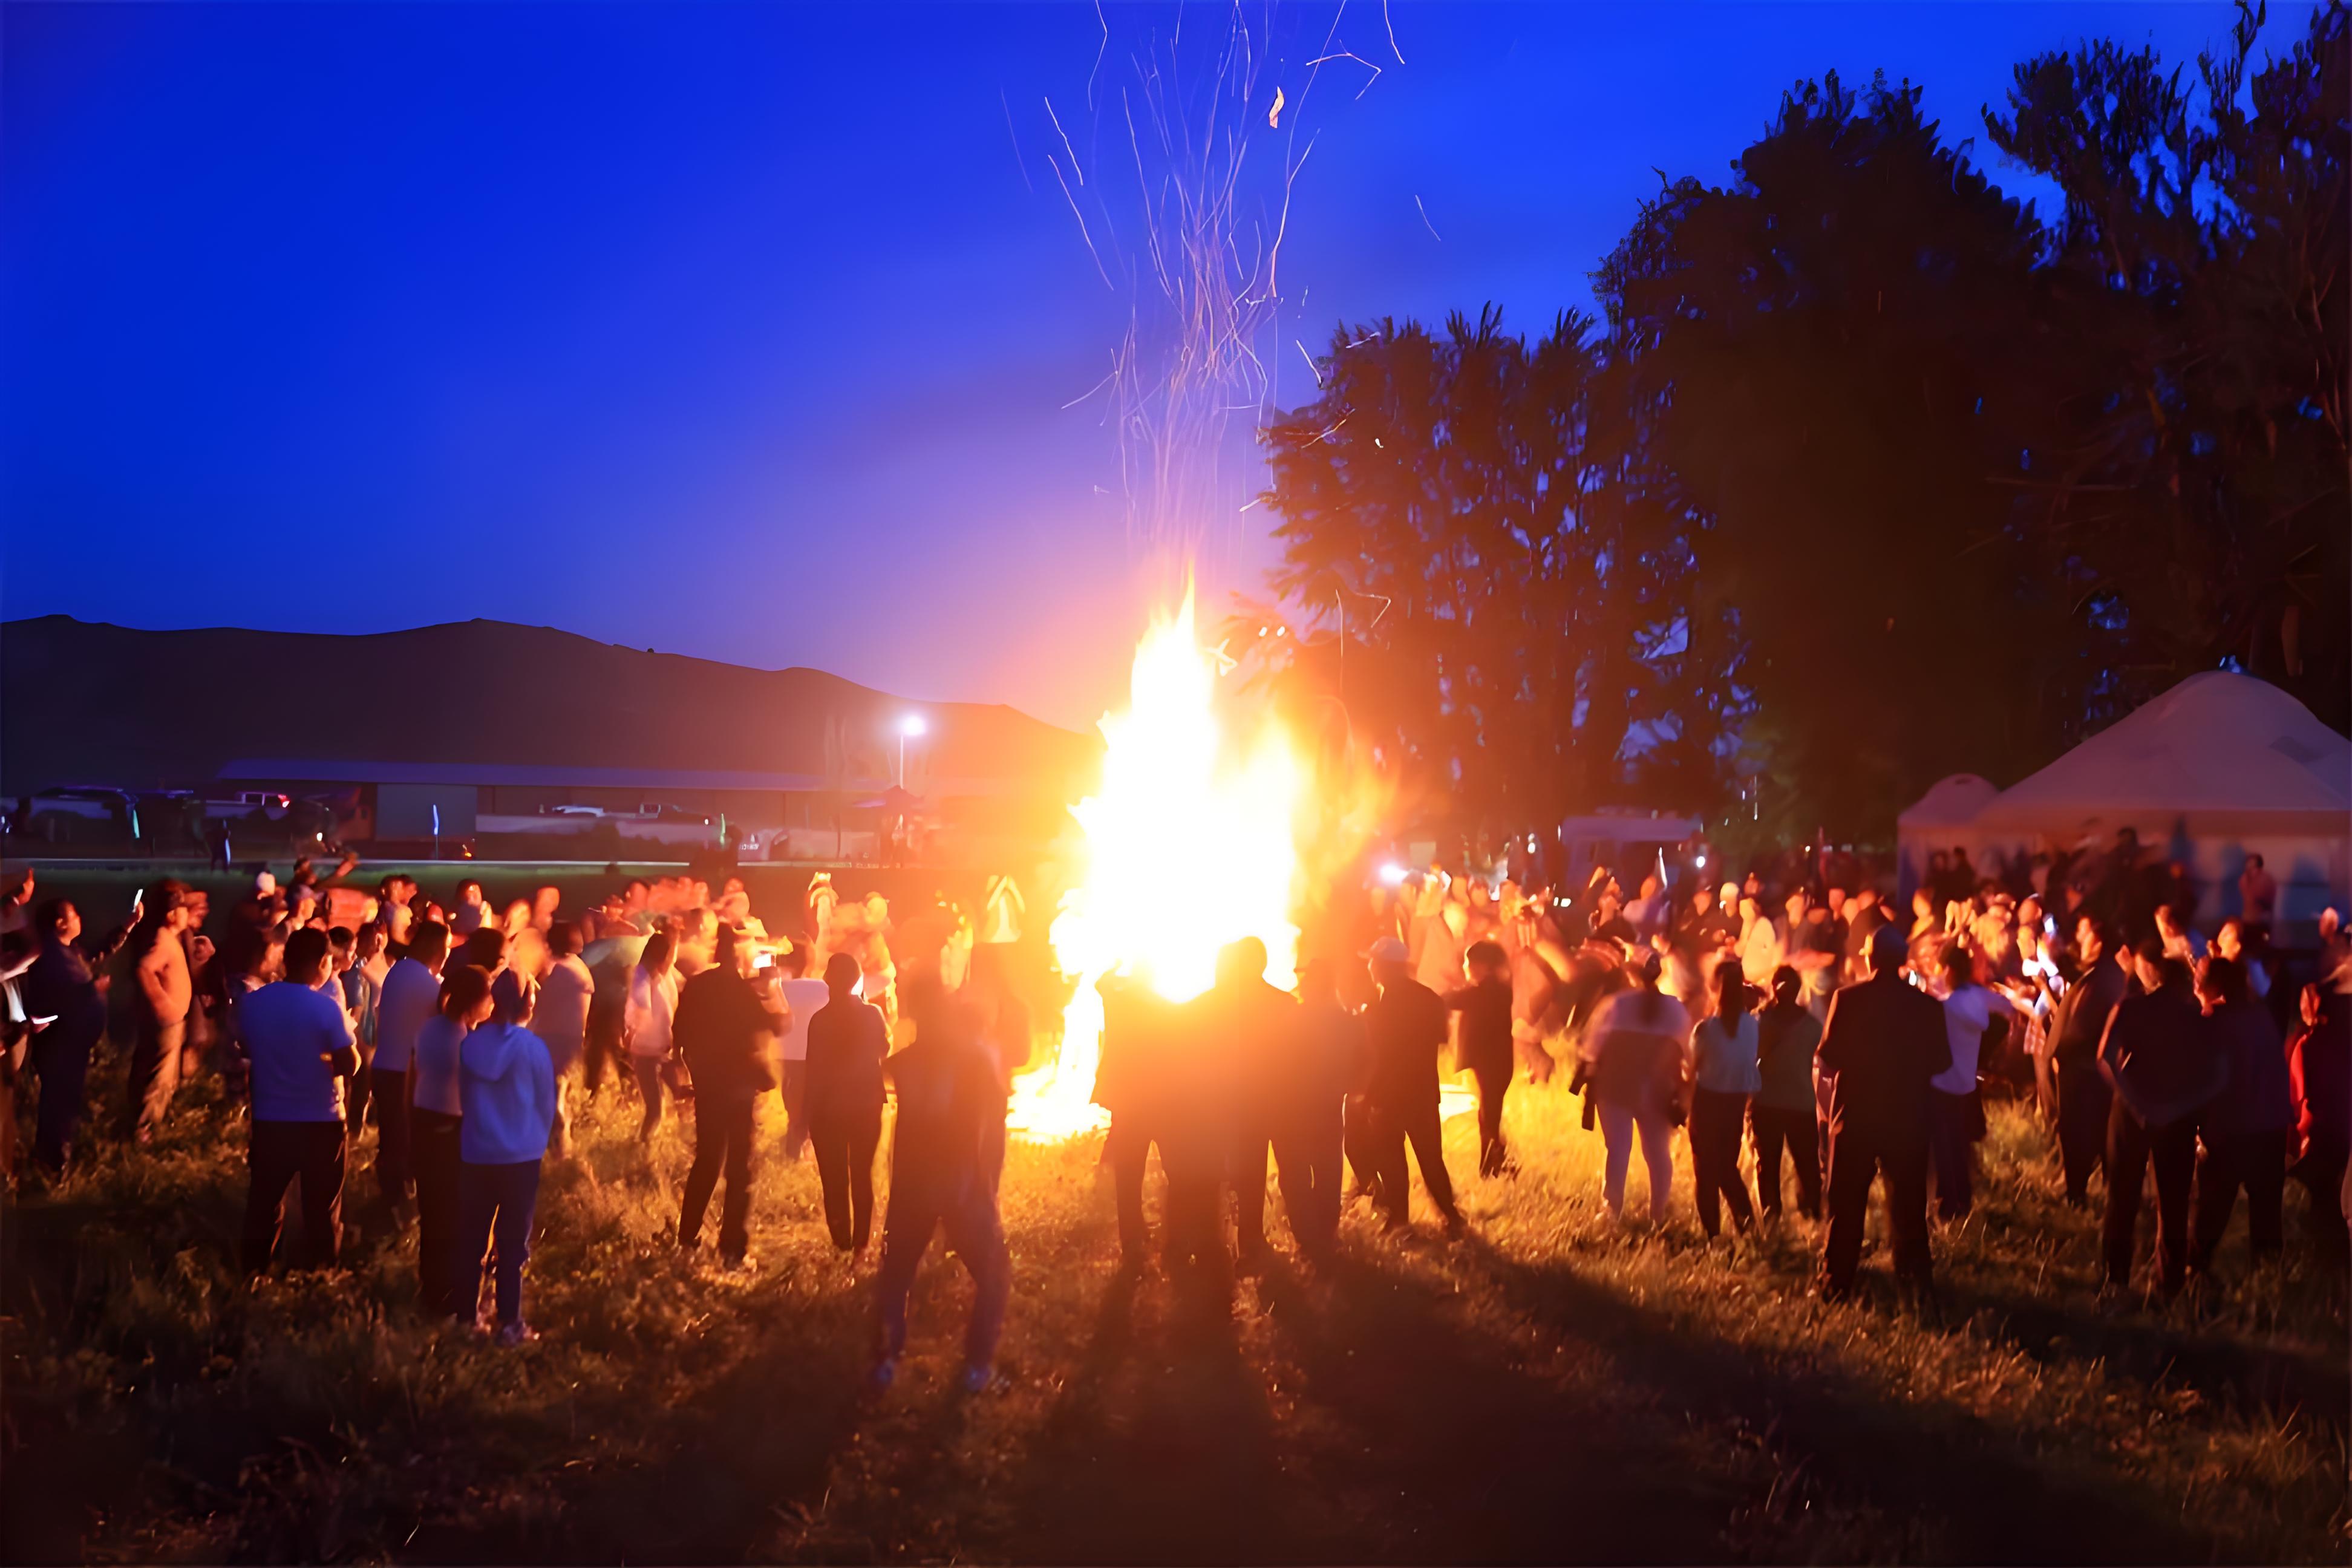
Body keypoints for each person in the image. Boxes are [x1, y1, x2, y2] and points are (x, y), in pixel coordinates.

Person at [871, 971, 1010, 1395]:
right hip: (961, 1183)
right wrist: (988, 1183)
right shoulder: (975, 1061)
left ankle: (884, 1363)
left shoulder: (903, 1063)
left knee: (896, 1275)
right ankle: (977, 1368)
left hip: (913, 1183)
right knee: (995, 1273)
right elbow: (993, 1131)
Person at [1817, 924, 1952, 1301]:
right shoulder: (1927, 1006)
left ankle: (1836, 1284)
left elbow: (1828, 1055)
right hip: (1908, 1118)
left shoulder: (1848, 998)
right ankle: (1914, 1285)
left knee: (1846, 1205)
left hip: (1856, 1115)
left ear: (1871, 958)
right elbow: (1942, 1061)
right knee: (1909, 1206)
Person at [2098, 943, 2228, 1298]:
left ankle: (2116, 1280)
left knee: (2122, 1197)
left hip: (2131, 1114)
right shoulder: (2194, 1020)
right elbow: (2220, 1074)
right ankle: (2169, 1285)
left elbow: (2105, 1057)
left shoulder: (2132, 1007)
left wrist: (2133, 1099)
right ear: (2184, 984)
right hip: (2177, 1119)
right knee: (2172, 1203)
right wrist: (2188, 1103)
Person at [236, 927, 361, 1272]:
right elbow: (349, 1064)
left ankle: (253, 1274)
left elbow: (246, 1047)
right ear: (323, 962)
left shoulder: (254, 1003)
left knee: (264, 1202)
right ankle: (320, 1276)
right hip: (321, 1120)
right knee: (321, 1208)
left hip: (271, 1118)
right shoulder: (325, 1008)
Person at [457, 970, 557, 1342]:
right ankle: (510, 1323)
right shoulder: (533, 1048)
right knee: (513, 1244)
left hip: (477, 1153)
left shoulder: (470, 1045)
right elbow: (545, 1104)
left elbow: (465, 1098)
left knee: (471, 1239)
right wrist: (538, 1140)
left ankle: (467, 1319)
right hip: (520, 1158)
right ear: (528, 1002)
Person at [672, 926, 782, 1266]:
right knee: (738, 1167)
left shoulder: (699, 986)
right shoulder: (742, 991)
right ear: (738, 956)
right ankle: (732, 1248)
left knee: (706, 1160)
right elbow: (778, 1025)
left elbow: (680, 1031)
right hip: (738, 1088)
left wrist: (688, 1066)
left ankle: (687, 1239)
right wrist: (773, 990)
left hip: (709, 1085)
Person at [2188, 956, 2294, 1278]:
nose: (2194, 984)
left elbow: (2204, 1083)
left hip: (2232, 1131)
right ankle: (2266, 1279)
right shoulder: (2260, 1016)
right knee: (2266, 1212)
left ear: (2212, 988)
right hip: (2272, 1126)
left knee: (2212, 1211)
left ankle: (2195, 1274)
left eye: (2198, 979)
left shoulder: (2213, 1024)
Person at [18, 898, 131, 1178]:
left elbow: (94, 954)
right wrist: (94, 989)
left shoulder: (67, 950)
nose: (80, 918)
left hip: (70, 1046)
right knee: (59, 1105)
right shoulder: (51, 958)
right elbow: (58, 1001)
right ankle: (51, 1167)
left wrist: (127, 927)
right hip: (60, 1048)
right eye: (75, 915)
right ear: (60, 924)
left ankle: (51, 1163)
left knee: (62, 1103)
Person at [1361, 935, 1464, 1233]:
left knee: (1392, 1161)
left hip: (1390, 1096)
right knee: (1432, 1159)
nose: (1369, 967)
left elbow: (1380, 1057)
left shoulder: (1378, 1009)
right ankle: (1452, 1218)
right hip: (1423, 1093)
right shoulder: (1430, 998)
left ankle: (1399, 1220)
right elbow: (1441, 1039)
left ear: (1383, 967)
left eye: (1372, 962)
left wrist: (1369, 1097)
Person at [1579, 948, 1689, 1224]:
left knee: (1617, 1149)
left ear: (1630, 974)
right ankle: (1659, 1215)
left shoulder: (1616, 1005)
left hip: (1615, 1086)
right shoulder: (1675, 1009)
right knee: (1658, 1154)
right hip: (1658, 1090)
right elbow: (1689, 1052)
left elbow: (1590, 1050)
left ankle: (1611, 1212)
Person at [1218, 937, 1307, 1266]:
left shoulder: (1227, 1007)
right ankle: (1306, 1236)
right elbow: (1300, 1057)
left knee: (1249, 1178)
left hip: (1245, 1105)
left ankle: (1251, 1243)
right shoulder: (1284, 1003)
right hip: (1282, 1101)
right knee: (1293, 1170)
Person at [413, 961, 492, 1318]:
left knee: (432, 1214)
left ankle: (431, 1291)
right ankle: (455, 1298)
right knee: (458, 1217)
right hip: (453, 1133)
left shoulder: (430, 1030)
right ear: (476, 1001)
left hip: (423, 1124)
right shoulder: (466, 1044)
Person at [805, 951, 888, 1255]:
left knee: (834, 1179)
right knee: (862, 1175)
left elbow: (811, 1071)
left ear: (828, 980)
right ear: (856, 981)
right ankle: (861, 1246)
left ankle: (841, 1243)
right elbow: (884, 1049)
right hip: (866, 1105)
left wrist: (805, 1115)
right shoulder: (872, 1015)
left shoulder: (819, 1020)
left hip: (828, 1110)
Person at [2046, 916, 2129, 1206]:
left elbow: (2083, 1029)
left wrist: (2062, 1054)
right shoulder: (2099, 973)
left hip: (2084, 1077)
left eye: (2083, 931)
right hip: (2084, 1073)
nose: (2079, 937)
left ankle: (2078, 1198)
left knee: (2081, 1136)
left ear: (2099, 938)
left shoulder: (2104, 977)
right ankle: (2083, 1193)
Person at [1932, 941, 2016, 1222]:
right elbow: (2009, 1009)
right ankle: (1963, 1200)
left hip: (1943, 1084)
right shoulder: (1978, 998)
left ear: (1951, 970)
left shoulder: (1947, 1007)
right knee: (1961, 1143)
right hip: (1967, 1082)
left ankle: (1948, 1204)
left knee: (1945, 1146)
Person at [1284, 957, 1360, 1258]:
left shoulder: (1292, 1018)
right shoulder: (1347, 1020)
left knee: (1295, 1172)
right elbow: (1364, 1059)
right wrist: (1354, 1090)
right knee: (1328, 1170)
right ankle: (1325, 1233)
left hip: (1294, 1106)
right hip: (1329, 1104)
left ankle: (1306, 1236)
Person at [372, 921, 448, 1217]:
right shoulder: (425, 983)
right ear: (436, 949)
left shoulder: (400, 971)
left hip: (386, 1065)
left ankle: (390, 1200)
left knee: (392, 1138)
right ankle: (399, 1206)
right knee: (404, 1141)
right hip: (402, 1073)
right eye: (446, 947)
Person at [1687, 960, 1760, 1238]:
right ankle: (1748, 1226)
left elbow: (1693, 1073)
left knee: (1706, 1173)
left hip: (1708, 1104)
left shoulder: (1706, 1031)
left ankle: (1713, 1236)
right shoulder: (1752, 1026)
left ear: (1714, 989)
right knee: (1727, 1169)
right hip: (1736, 1104)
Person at [120, 880, 194, 1143]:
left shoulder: (167, 938)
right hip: (167, 1023)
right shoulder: (162, 941)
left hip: (171, 1021)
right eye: (184, 909)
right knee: (158, 1078)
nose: (188, 914)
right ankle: (144, 1132)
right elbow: (144, 969)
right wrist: (162, 1004)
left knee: (159, 1074)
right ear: (172, 914)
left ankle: (146, 1125)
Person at [1751, 965, 1823, 1222]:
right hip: (1801, 1104)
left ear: (1774, 988)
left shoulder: (1759, 1022)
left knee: (1767, 1167)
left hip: (1766, 1103)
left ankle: (1772, 1221)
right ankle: (1814, 1218)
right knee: (1808, 1167)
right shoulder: (1813, 1026)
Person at [2285, 984, 2350, 1258]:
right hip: (2341, 1127)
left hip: (2318, 1130)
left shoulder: (2308, 1044)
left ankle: (2328, 1258)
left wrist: (2299, 1133)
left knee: (2323, 1198)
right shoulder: (2344, 1037)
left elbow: (2301, 1094)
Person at [1445, 939, 1517, 1177]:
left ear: (1484, 966)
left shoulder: (1491, 990)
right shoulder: (1495, 989)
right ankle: (1493, 1164)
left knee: (1489, 1115)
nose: (1465, 967)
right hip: (1493, 1063)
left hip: (1493, 1064)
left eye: (1469, 962)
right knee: (1487, 1114)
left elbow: (1453, 999)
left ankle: (1492, 1167)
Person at [534, 922, 593, 1157]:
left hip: (550, 1038)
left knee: (550, 1093)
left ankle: (557, 1146)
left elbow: (538, 1003)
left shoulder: (554, 970)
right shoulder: (581, 968)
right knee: (559, 1089)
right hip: (572, 1039)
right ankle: (561, 1147)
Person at [776, 942, 831, 1161]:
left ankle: (795, 1140)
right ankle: (798, 1143)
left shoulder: (780, 987)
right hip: (811, 1055)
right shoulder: (822, 988)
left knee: (791, 1096)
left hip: (784, 1054)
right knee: (806, 1100)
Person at [625, 930, 681, 1142]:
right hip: (647, 1053)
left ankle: (651, 1145)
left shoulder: (659, 975)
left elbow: (670, 962)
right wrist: (632, 1035)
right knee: (655, 1109)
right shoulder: (642, 977)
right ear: (658, 957)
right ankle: (642, 1147)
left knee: (678, 1095)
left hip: (661, 1052)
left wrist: (675, 938)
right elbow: (641, 1008)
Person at [2236, 854, 2277, 933]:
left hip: (2262, 923)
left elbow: (2268, 903)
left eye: (2253, 868)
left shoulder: (2267, 881)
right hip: (2246, 922)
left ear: (2260, 868)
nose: (2250, 871)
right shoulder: (2243, 880)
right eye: (2248, 868)